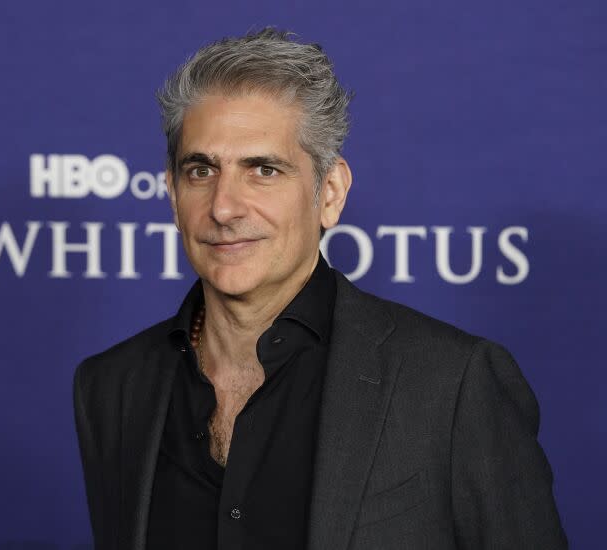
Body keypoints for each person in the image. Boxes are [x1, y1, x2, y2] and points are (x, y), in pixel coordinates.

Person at [72, 28, 567, 550]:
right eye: (201, 170)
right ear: (172, 195)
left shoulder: (452, 385)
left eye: (263, 170)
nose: (224, 207)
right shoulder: (111, 387)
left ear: (329, 193)